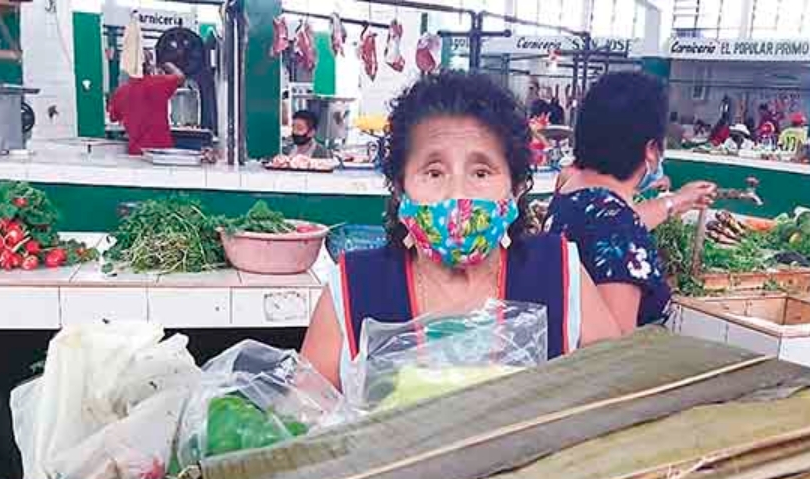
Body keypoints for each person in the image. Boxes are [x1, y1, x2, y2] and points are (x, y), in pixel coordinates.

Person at [302, 71, 621, 392]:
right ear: (400, 189)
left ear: (516, 188)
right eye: (434, 172)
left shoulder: (559, 272)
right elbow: (304, 413)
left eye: (481, 172)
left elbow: (616, 394)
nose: (457, 194)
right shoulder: (354, 287)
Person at [545, 72, 717, 332]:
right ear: (650, 149)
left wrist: (679, 200)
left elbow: (611, 227)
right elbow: (615, 353)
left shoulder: (572, 190)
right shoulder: (618, 226)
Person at [108, 62, 185, 155]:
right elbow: (180, 77)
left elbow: (113, 118)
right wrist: (169, 65)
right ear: (150, 69)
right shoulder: (160, 83)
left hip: (136, 151)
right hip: (161, 149)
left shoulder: (121, 92)